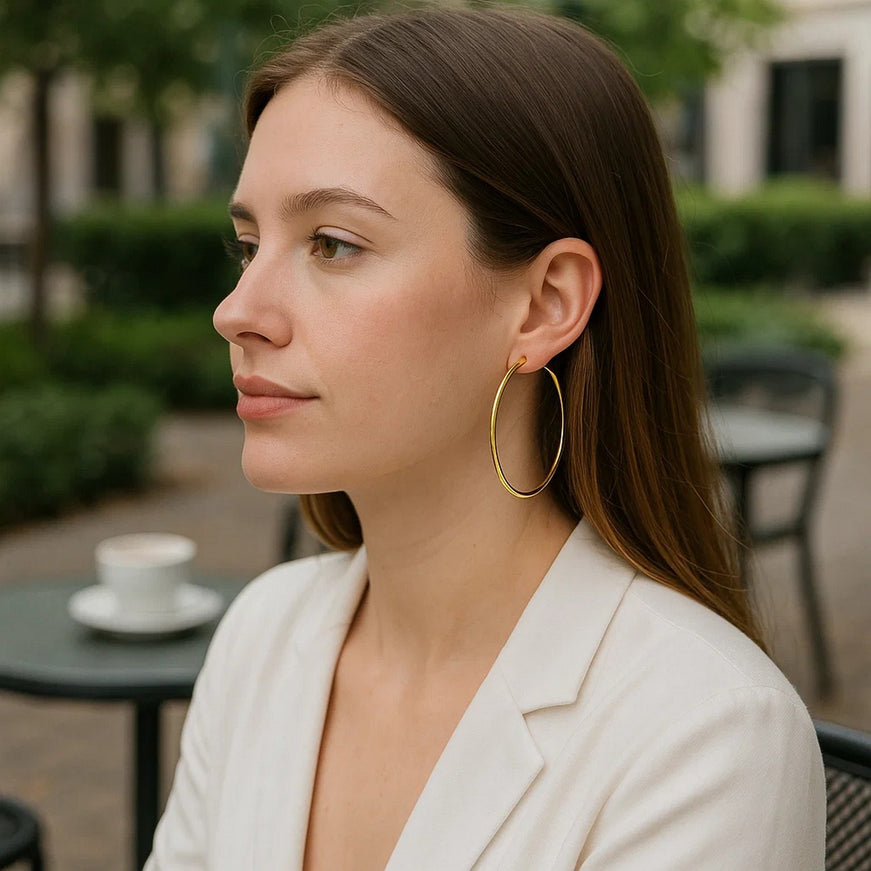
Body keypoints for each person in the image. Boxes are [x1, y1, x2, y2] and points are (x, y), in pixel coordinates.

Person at [146, 8, 825, 869]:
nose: (235, 312)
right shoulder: (261, 636)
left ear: (545, 304)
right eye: (248, 245)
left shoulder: (704, 734)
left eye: (332, 243)